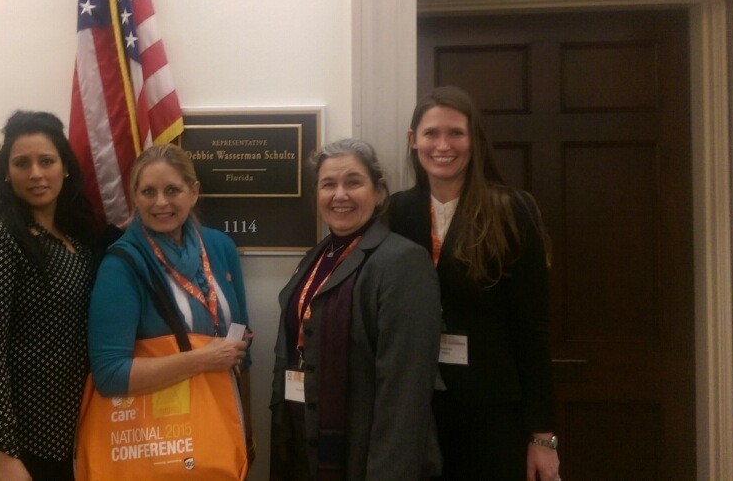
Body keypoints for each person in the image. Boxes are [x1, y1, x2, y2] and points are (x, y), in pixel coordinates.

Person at [388, 85, 560, 481]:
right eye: (431, 133)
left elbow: (532, 329)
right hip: (415, 407)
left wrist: (543, 436)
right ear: (414, 141)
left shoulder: (512, 210)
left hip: (493, 409)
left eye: (455, 133)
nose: (443, 145)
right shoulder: (394, 212)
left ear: (473, 140)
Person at [269, 138, 442, 480]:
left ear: (378, 192)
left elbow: (404, 393)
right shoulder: (315, 258)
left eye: (353, 182)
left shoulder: (403, 261)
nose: (340, 195)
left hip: (364, 453)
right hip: (305, 444)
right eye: (328, 184)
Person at [0, 111, 106, 481]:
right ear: (6, 173)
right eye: (22, 163)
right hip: (15, 441)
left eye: (46, 161)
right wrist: (3, 453)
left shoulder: (77, 242)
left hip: (63, 434)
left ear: (65, 168)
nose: (36, 173)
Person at [87, 143, 253, 456]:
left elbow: (243, 343)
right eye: (148, 192)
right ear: (135, 197)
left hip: (220, 424)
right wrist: (203, 359)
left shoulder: (220, 247)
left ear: (194, 192)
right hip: (160, 439)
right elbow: (109, 375)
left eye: (172, 190)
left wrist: (247, 433)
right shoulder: (122, 264)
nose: (161, 202)